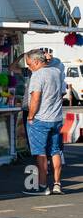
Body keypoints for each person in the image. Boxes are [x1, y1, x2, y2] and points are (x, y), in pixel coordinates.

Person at [23, 49, 65, 196]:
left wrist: (30, 116)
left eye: (29, 64)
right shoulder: (56, 72)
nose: (28, 67)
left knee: (40, 153)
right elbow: (61, 94)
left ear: (36, 61)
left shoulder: (37, 75)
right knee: (55, 151)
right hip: (56, 118)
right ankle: (57, 184)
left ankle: (42, 186)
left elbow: (36, 98)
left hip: (40, 118)